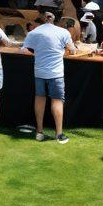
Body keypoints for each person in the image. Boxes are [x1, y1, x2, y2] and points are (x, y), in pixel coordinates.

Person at [21, 13, 76, 144]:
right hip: (56, 73)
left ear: (42, 19)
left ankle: (39, 132)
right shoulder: (63, 32)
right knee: (57, 101)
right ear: (55, 20)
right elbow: (73, 50)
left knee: (40, 98)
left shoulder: (34, 33)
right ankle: (59, 134)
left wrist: (38, 52)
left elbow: (23, 50)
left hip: (39, 71)